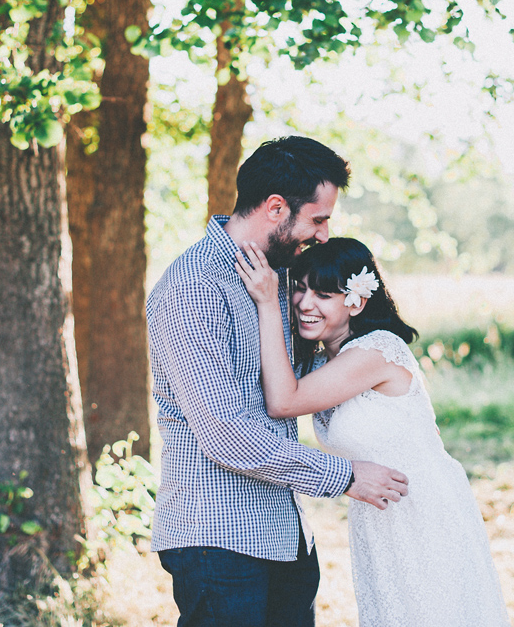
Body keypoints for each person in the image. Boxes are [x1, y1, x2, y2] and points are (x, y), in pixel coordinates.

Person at [147, 136, 410, 627]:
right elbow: (227, 435)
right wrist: (347, 476)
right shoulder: (193, 289)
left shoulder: (283, 278)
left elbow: (304, 377)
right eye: (318, 219)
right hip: (218, 540)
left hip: (283, 532)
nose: (324, 234)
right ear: (275, 208)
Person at [235, 236, 512, 627]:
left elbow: (282, 402)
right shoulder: (319, 362)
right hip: (377, 514)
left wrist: (266, 302)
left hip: (421, 508)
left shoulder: (376, 350)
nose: (304, 304)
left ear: (357, 300)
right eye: (299, 289)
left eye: (323, 294)